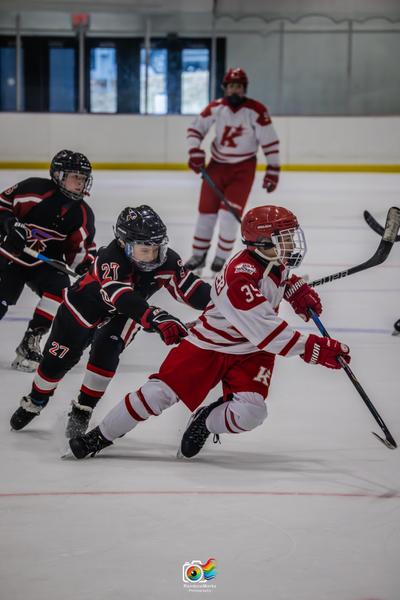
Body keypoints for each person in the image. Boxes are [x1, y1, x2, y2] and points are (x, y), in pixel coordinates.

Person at [67, 205, 351, 460]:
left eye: (290, 236)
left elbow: (279, 277)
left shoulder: (271, 258)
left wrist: (293, 289)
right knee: (158, 395)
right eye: (284, 237)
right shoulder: (240, 276)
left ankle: (204, 421)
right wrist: (317, 348)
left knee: (252, 413)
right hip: (211, 345)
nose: (290, 244)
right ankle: (99, 437)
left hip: (252, 351)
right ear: (263, 241)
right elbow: (272, 336)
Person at [10, 205, 211, 436]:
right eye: (143, 250)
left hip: (125, 316)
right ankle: (36, 399)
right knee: (54, 363)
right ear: (124, 244)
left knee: (105, 356)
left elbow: (193, 290)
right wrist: (153, 316)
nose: (152, 256)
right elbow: (122, 297)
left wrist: (224, 300)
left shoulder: (167, 261)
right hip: (81, 309)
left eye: (156, 248)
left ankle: (83, 409)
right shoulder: (111, 258)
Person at [0, 149, 96, 372]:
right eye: (75, 177)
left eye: (83, 179)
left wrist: (85, 267)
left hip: (44, 263)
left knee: (60, 291)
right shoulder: (32, 189)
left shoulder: (82, 214)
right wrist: (9, 226)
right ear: (58, 175)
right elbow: (2, 206)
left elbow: (80, 251)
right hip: (10, 257)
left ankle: (31, 339)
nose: (80, 184)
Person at [185, 67, 280, 275]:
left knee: (228, 216)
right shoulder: (216, 108)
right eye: (231, 86)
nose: (234, 90)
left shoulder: (256, 110)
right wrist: (194, 151)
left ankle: (221, 257)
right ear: (225, 88)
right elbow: (195, 130)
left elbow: (270, 141)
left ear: (244, 88)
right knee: (205, 214)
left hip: (243, 170)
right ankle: (198, 255)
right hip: (216, 167)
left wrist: (273, 168)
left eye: (238, 86)